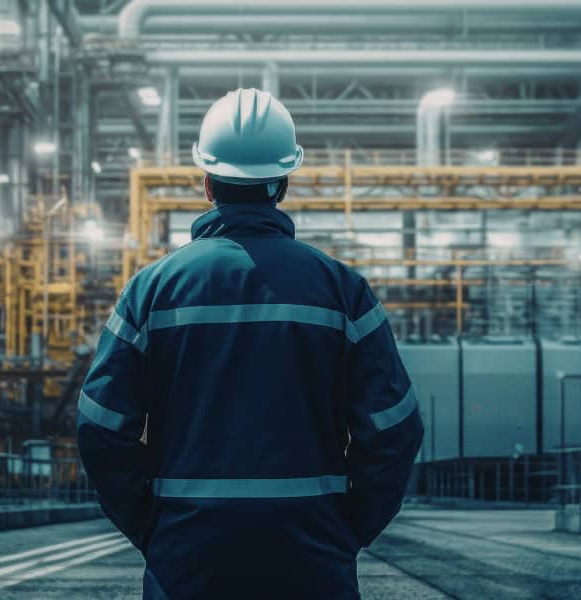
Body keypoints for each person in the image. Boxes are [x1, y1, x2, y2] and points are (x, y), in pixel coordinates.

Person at [77, 88, 424, 599]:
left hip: (187, 560)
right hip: (312, 558)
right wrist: (348, 529)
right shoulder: (342, 290)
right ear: (282, 183)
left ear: (207, 183)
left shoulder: (150, 292)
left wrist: (151, 527)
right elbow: (394, 428)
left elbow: (101, 428)